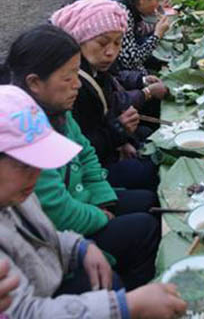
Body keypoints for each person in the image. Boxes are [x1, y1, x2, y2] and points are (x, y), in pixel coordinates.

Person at [0, 85, 187, 318]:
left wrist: (78, 247)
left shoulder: (16, 196)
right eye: (24, 165)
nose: (37, 175)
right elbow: (25, 312)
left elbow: (41, 235)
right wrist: (124, 306)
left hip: (50, 274)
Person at [1, 26, 161, 290]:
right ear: (34, 83)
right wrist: (99, 217)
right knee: (143, 227)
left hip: (78, 212)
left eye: (77, 73)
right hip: (64, 236)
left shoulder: (59, 111)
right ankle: (130, 290)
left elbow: (85, 153)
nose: (77, 83)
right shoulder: (23, 132)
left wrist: (103, 198)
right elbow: (57, 211)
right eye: (68, 77)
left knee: (147, 202)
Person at [51, 0, 165, 190]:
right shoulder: (75, 86)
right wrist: (119, 131)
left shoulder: (96, 68)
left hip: (108, 148)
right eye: (102, 43)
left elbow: (114, 89)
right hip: (89, 172)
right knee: (150, 173)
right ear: (79, 39)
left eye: (117, 43)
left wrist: (123, 138)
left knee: (148, 138)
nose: (111, 52)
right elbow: (80, 148)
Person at [117, 0, 170, 73]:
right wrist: (157, 35)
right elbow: (130, 61)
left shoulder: (130, 8)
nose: (158, 5)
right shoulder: (123, 14)